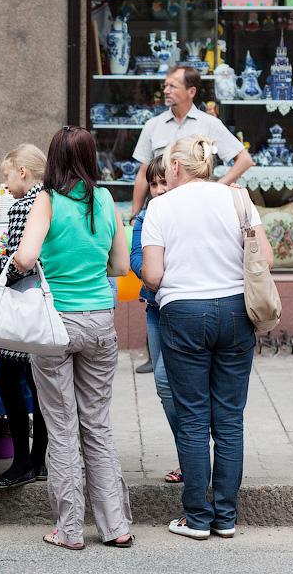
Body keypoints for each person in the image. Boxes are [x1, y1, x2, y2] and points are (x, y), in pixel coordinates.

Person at [141, 135, 273, 541]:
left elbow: (153, 276)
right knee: (229, 420)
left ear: (176, 167)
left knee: (194, 418)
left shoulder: (160, 207)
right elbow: (266, 259)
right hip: (236, 311)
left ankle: (197, 518)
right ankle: (226, 517)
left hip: (184, 314)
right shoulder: (237, 199)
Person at [13, 126, 133, 550]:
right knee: (97, 425)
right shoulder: (105, 200)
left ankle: (68, 530)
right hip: (100, 319)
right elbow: (120, 266)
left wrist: (19, 258)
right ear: (91, 157)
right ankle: (115, 526)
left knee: (62, 427)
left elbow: (26, 256)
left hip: (56, 324)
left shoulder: (46, 200)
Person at [0, 143, 49, 490]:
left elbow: (17, 262)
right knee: (39, 384)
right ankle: (40, 459)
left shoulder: (23, 206)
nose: (7, 185)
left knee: (8, 381)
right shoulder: (55, 200)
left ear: (22, 172)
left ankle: (22, 461)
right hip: (48, 307)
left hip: (23, 309)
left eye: (7, 176)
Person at [129, 66, 253, 222]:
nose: (166, 90)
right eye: (165, 86)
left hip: (200, 210)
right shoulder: (153, 125)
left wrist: (216, 187)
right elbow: (143, 174)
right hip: (161, 210)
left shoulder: (210, 124)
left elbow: (245, 160)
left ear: (191, 92)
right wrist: (135, 215)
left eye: (172, 86)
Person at [129, 155, 181, 484]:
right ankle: (188, 453)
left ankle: (195, 454)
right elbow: (136, 258)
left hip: (183, 307)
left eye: (165, 182)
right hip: (156, 307)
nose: (159, 189)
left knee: (166, 379)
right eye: (154, 183)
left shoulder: (186, 212)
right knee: (165, 388)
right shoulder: (146, 215)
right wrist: (154, 273)